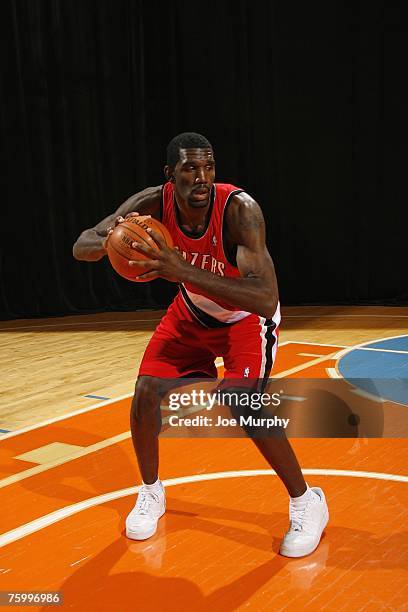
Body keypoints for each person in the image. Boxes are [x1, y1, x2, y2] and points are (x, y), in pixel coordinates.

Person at [73, 132, 328, 557]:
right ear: (170, 174)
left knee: (242, 403)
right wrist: (118, 241)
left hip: (245, 319)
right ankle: (152, 492)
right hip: (193, 312)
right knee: (145, 395)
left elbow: (264, 298)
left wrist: (181, 269)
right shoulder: (154, 202)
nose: (202, 177)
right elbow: (82, 245)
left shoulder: (240, 211)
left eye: (208, 167)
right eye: (191, 168)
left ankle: (307, 502)